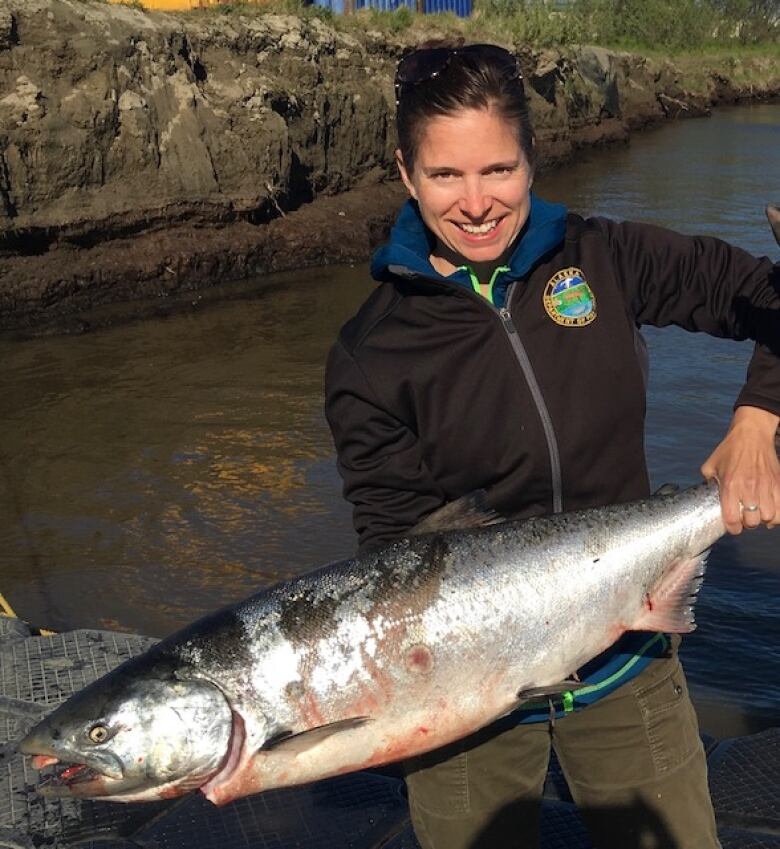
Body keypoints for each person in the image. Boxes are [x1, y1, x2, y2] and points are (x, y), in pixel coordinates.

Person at [324, 41, 780, 849]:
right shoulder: (370, 356)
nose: (475, 203)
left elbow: (766, 295)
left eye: (498, 170)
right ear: (404, 173)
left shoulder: (603, 256)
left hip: (630, 664)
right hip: (469, 709)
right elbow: (397, 551)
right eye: (445, 176)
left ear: (533, 157)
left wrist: (758, 418)